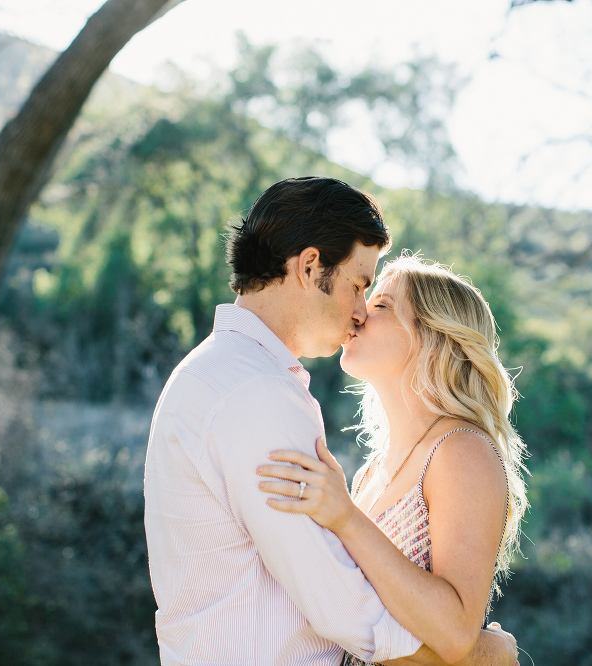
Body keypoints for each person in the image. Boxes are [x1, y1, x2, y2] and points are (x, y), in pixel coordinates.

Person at [143, 176, 518, 666]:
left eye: (377, 300)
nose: (359, 311)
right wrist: (483, 656)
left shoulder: (219, 374)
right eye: (361, 286)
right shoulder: (258, 395)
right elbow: (341, 604)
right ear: (310, 267)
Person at [256, 255, 528, 666]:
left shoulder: (461, 450)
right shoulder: (372, 472)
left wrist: (345, 517)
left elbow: (456, 634)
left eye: (381, 305)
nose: (359, 312)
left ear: (434, 335)